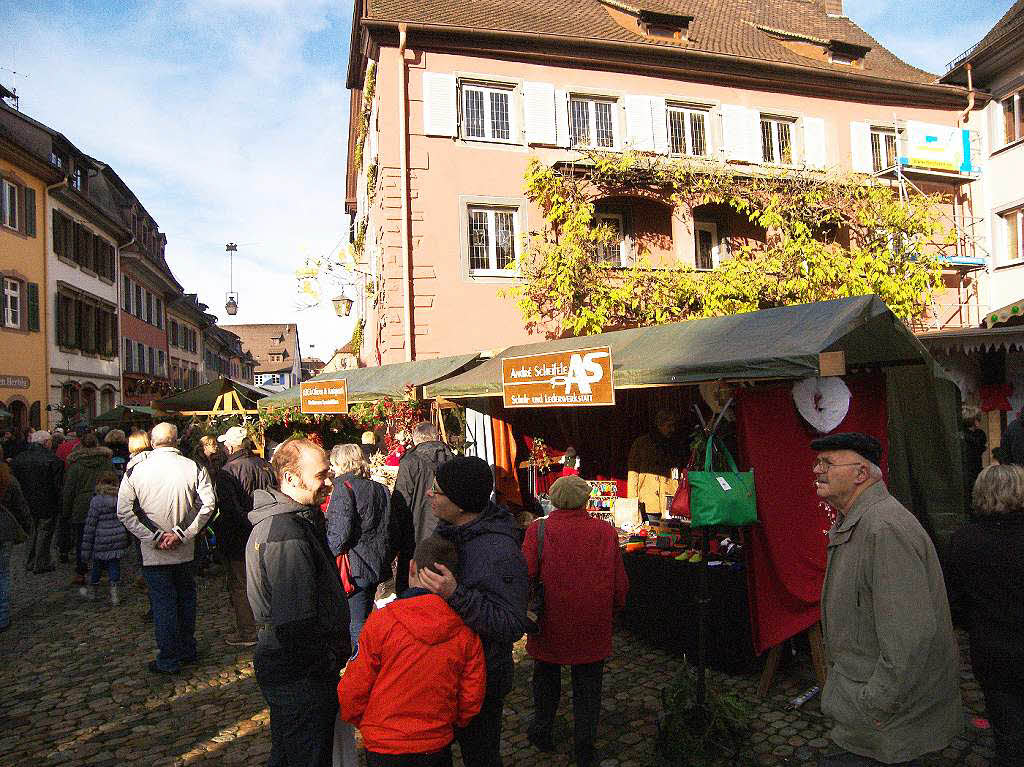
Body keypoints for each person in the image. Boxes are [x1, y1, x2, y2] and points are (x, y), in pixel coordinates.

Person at [812, 432, 961, 766]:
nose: (817, 470)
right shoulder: (860, 520)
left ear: (861, 474)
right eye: (818, 462)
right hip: (873, 716)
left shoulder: (884, 528)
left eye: (828, 463)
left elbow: (910, 636)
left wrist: (874, 704)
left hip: (888, 720)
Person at [418, 455, 529, 767]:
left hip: (482, 678)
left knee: (480, 756)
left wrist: (455, 594)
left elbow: (510, 623)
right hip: (445, 673)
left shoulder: (498, 551)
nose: (429, 494)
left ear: (462, 502)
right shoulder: (448, 531)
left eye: (436, 490)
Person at [339, 534, 486, 767]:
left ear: (411, 568)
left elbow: (353, 688)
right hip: (434, 744)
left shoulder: (382, 622)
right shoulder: (464, 634)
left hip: (385, 744)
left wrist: (369, 723)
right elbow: (470, 698)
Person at [246, 437, 350, 767]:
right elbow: (295, 621)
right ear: (290, 478)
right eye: (321, 475)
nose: (329, 482)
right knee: (304, 754)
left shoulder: (297, 520)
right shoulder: (285, 531)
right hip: (299, 672)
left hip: (300, 668)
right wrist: (325, 659)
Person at [522, 475, 628, 767]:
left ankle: (543, 731)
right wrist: (617, 607)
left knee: (545, 679)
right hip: (591, 619)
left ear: (554, 499)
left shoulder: (538, 530)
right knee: (588, 685)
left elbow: (526, 571)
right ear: (585, 499)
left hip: (551, 618)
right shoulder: (605, 532)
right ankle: (584, 745)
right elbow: (619, 580)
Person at [116, 422, 216, 674]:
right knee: (185, 601)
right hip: (184, 548)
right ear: (177, 440)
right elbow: (207, 504)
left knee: (164, 605)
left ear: (152, 440)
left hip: (155, 552)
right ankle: (186, 649)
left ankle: (170, 657)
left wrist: (155, 537)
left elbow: (125, 511)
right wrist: (181, 533)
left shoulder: (136, 470)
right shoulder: (193, 467)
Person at [945, 464, 1024, 766]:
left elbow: (954, 600)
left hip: (991, 648)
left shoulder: (964, 540)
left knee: (1007, 727)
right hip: (998, 643)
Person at [326, 443, 391, 648]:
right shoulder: (380, 488)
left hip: (354, 566)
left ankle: (361, 667)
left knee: (357, 622)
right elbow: (391, 526)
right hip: (377, 562)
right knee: (367, 618)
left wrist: (327, 556)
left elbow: (339, 534)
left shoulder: (343, 489)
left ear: (341, 463)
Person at [215, 425, 275, 647]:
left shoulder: (227, 472)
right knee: (265, 580)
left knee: (241, 585)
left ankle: (248, 631)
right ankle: (268, 626)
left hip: (239, 536)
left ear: (230, 446)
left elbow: (229, 508)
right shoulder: (264, 466)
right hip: (265, 530)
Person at [391, 422, 455, 593]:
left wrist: (395, 540)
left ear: (415, 439)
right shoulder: (454, 460)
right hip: (449, 533)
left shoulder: (410, 461)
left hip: (415, 535)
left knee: (413, 593)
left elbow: (400, 503)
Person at [61, 433, 114, 585]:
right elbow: (113, 481)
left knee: (81, 540)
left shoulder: (76, 465)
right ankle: (103, 568)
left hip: (81, 505)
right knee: (103, 537)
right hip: (104, 501)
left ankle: (81, 570)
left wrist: (66, 510)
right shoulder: (106, 462)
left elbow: (69, 489)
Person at [11, 430, 64, 574]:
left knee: (32, 532)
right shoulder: (53, 460)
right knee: (45, 533)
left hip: (26, 501)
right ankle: (41, 562)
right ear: (46, 442)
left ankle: (29, 561)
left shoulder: (19, 459)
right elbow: (58, 486)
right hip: (47, 501)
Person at [79, 470, 129, 605]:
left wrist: (85, 550)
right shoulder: (120, 498)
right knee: (114, 564)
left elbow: (90, 524)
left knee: (97, 566)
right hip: (118, 536)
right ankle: (115, 593)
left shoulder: (96, 501)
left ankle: (93, 590)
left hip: (100, 538)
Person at [0, 446, 33, 631]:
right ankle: (3, 616)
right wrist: (27, 526)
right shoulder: (7, 478)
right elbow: (20, 505)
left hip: (5, 529)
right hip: (4, 530)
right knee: (3, 574)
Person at [627, 409, 681, 518]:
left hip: (669, 500)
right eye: (669, 426)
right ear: (660, 425)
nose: (672, 429)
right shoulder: (641, 444)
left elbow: (675, 472)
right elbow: (633, 474)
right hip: (648, 501)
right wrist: (632, 502)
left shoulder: (673, 445)